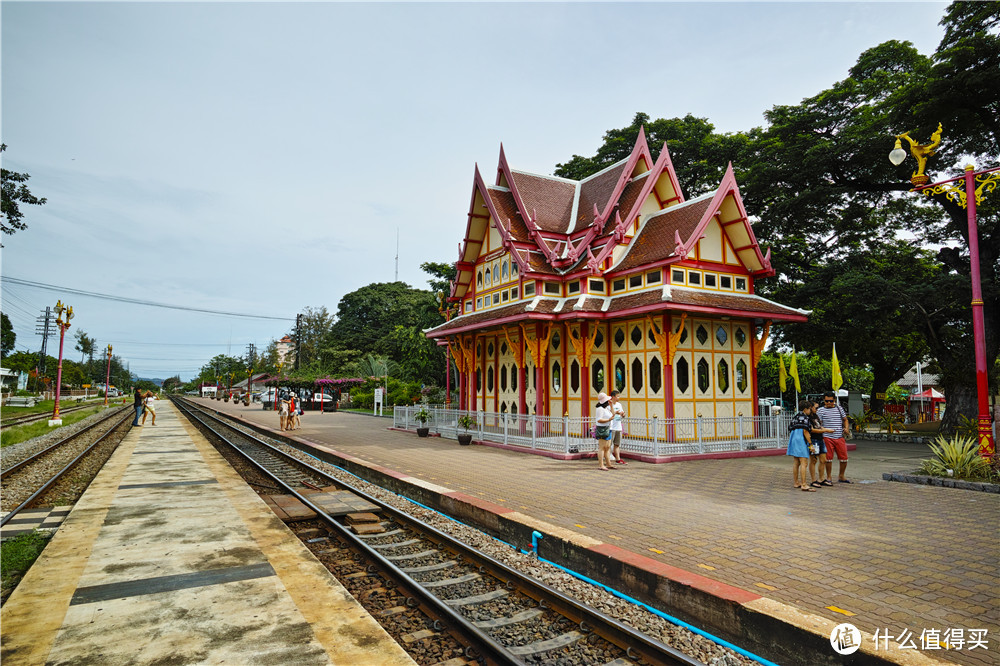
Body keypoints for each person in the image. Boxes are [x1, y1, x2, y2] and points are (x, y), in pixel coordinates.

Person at [817, 391, 852, 483]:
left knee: (844, 458)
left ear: (834, 400)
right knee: (828, 458)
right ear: (824, 401)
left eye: (831, 401)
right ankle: (829, 476)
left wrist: (846, 428)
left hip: (839, 436)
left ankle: (841, 476)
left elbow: (845, 420)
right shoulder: (820, 411)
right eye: (826, 401)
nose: (829, 403)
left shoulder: (839, 408)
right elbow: (818, 424)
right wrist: (824, 429)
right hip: (827, 436)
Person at [787, 400, 815, 491]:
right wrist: (810, 444)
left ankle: (796, 482)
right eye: (809, 409)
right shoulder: (805, 418)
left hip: (794, 439)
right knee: (804, 462)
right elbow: (805, 431)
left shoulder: (795, 417)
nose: (810, 411)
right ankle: (804, 484)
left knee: (796, 462)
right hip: (801, 440)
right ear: (805, 409)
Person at [807, 401, 832, 487]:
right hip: (813, 440)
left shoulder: (816, 416)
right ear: (810, 407)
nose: (817, 409)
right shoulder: (808, 417)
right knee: (813, 460)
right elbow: (812, 429)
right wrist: (825, 430)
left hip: (820, 439)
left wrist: (826, 429)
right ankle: (813, 480)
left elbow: (819, 426)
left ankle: (821, 478)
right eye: (816, 408)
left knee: (823, 460)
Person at [594, 392, 615, 471]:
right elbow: (599, 420)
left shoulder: (606, 408)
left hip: (608, 428)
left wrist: (611, 406)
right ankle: (601, 464)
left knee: (607, 447)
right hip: (602, 428)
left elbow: (613, 414)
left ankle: (608, 463)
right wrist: (608, 420)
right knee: (602, 447)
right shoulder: (600, 409)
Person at [609, 390, 627, 465]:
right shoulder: (609, 405)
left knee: (617, 444)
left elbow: (623, 413)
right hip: (611, 427)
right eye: (617, 396)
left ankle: (618, 459)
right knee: (609, 444)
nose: (619, 397)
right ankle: (608, 459)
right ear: (613, 397)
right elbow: (607, 414)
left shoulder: (619, 405)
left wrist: (623, 414)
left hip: (618, 427)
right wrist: (614, 413)